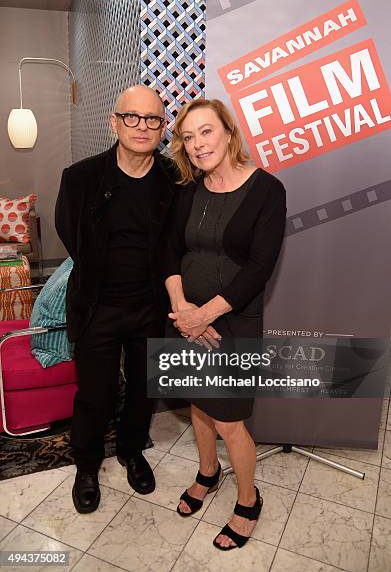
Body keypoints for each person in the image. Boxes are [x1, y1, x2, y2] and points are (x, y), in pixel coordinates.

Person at [164, 98, 286, 550]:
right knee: (198, 406)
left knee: (230, 420)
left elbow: (260, 267)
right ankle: (207, 473)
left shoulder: (268, 191)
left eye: (206, 132)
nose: (197, 145)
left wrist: (205, 315)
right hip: (186, 317)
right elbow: (170, 252)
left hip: (232, 321)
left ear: (229, 133)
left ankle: (249, 500)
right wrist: (182, 308)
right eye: (188, 137)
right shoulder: (186, 190)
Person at [55, 85, 177, 513]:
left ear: (163, 127)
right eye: (133, 117)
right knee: (95, 394)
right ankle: (87, 465)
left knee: (144, 390)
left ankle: (131, 451)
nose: (142, 127)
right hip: (98, 308)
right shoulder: (80, 177)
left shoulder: (173, 180)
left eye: (153, 119)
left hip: (151, 308)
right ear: (115, 122)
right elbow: (70, 234)